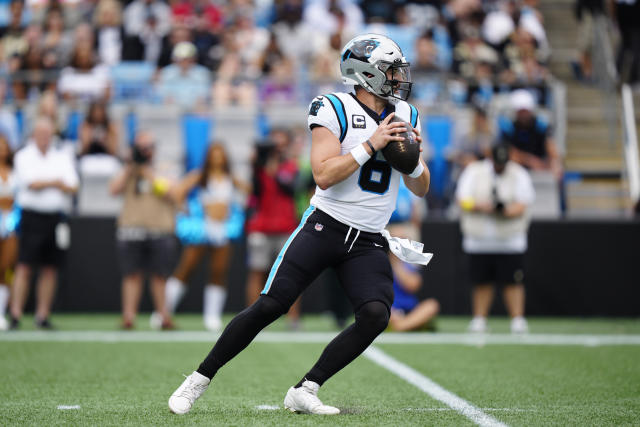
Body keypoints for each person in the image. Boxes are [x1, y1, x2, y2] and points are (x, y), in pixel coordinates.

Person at [167, 33, 430, 416]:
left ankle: (306, 388)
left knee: (375, 315)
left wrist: (414, 160)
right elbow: (323, 175)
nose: (397, 78)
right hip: (327, 225)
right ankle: (198, 379)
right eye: (390, 71)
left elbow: (420, 188)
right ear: (365, 72)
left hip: (369, 237)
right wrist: (371, 144)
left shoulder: (407, 115)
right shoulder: (334, 106)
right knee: (271, 305)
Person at [164, 143, 248, 331]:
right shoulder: (199, 176)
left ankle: (212, 316)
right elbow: (178, 191)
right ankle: (164, 311)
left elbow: (250, 190)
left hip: (224, 229)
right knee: (186, 268)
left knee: (218, 271)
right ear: (208, 157)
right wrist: (184, 209)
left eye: (220, 155)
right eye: (214, 155)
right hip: (202, 228)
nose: (217, 158)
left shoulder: (230, 178)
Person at [456, 143, 535, 334]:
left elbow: (524, 203)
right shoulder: (474, 171)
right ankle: (479, 319)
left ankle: (517, 319)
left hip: (510, 240)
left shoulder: (519, 174)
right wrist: (482, 206)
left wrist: (505, 210)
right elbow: (462, 199)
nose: (500, 167)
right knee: (481, 281)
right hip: (479, 239)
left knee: (513, 281)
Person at [9, 117, 78, 329]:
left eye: (48, 134)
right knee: (24, 266)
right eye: (41, 134)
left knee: (50, 268)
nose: (45, 138)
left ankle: (42, 315)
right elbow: (31, 183)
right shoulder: (23, 156)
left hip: (55, 217)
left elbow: (73, 185)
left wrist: (48, 183)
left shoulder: (62, 156)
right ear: (33, 135)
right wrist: (56, 182)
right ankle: (15, 314)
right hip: (31, 217)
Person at [109, 130, 177, 330]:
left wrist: (148, 172)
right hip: (131, 228)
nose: (145, 151)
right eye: (141, 148)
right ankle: (128, 316)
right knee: (131, 274)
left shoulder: (163, 167)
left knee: (160, 276)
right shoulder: (127, 169)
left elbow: (171, 193)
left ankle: (163, 316)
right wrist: (130, 168)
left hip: (160, 228)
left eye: (148, 147)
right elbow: (113, 190)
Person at [245, 128, 301, 328]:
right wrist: (257, 164)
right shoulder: (257, 167)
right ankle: (250, 320)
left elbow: (291, 189)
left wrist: (275, 168)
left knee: (291, 274)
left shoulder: (291, 166)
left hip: (285, 225)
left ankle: (293, 318)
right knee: (257, 271)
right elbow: (254, 192)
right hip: (261, 226)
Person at [499, 89, 562, 179]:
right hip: (517, 170)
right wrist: (530, 161)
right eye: (521, 111)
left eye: (526, 111)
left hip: (540, 169)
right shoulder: (509, 127)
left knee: (557, 168)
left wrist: (554, 162)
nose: (524, 114)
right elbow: (509, 152)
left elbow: (551, 147)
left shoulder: (541, 126)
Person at [0, 136, 18, 331]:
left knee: (5, 267)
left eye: (4, 147)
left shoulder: (15, 172)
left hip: (9, 223)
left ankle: (1, 311)